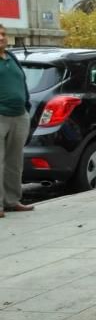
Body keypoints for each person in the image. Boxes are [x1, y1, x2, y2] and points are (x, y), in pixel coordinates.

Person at [0, 24, 32, 218]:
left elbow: (22, 82)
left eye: (3, 34)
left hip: (19, 115)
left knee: (15, 161)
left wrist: (26, 105)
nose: (1, 38)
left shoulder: (11, 57)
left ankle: (12, 200)